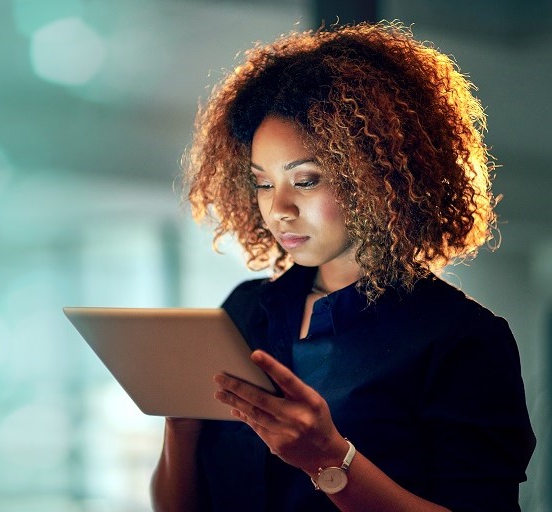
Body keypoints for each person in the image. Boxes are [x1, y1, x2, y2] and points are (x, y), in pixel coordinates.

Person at [150, 21, 535, 512]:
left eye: (306, 181)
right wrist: (179, 429)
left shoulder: (461, 340)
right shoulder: (246, 310)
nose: (279, 208)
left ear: (380, 177)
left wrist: (330, 460)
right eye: (263, 183)